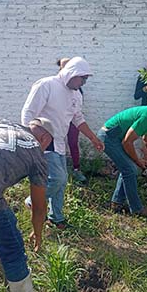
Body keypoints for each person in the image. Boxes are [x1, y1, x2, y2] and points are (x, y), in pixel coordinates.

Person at [0, 117, 54, 292]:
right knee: (13, 252)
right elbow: (39, 207)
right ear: (45, 138)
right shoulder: (37, 152)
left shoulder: (1, 122)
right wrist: (38, 233)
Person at [21, 56, 104, 229]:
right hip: (44, 139)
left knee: (62, 181)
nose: (84, 83)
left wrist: (93, 138)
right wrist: (32, 140)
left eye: (86, 79)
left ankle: (56, 217)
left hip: (59, 141)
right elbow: (28, 114)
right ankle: (32, 201)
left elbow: (78, 118)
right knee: (58, 178)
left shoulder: (76, 95)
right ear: (72, 73)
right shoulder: (47, 85)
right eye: (82, 78)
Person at [57, 57, 87, 183]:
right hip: (57, 121)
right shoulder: (52, 85)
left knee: (73, 143)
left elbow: (77, 111)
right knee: (54, 144)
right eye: (62, 66)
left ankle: (76, 169)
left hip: (72, 120)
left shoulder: (76, 88)